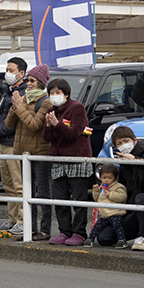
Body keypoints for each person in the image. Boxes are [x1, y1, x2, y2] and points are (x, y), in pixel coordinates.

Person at [5, 64, 53, 241]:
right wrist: (15, 107)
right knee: (28, 193)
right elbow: (9, 125)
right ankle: (30, 229)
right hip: (23, 154)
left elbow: (34, 125)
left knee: (43, 192)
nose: (29, 83)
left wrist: (19, 107)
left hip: (40, 153)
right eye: (27, 80)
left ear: (40, 82)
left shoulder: (45, 101)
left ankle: (46, 229)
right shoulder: (23, 99)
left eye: (32, 80)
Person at [43, 78, 93, 246]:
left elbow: (74, 134)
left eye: (58, 92)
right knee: (60, 198)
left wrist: (57, 124)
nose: (55, 96)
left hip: (76, 158)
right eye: (51, 93)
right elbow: (46, 138)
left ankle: (79, 233)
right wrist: (49, 126)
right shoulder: (51, 110)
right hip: (58, 160)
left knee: (78, 199)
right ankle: (64, 231)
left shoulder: (77, 108)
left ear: (66, 93)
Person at [99, 126, 144, 251]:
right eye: (119, 143)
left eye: (126, 140)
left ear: (135, 140)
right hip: (133, 210)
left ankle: (143, 237)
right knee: (104, 238)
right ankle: (141, 231)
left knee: (141, 198)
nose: (124, 145)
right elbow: (124, 190)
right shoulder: (123, 163)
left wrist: (136, 161)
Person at [0, 57, 28, 235]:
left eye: (11, 70)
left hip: (14, 143)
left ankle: (22, 220)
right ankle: (12, 219)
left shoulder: (23, 93)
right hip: (3, 143)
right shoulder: (8, 92)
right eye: (7, 69)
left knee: (19, 185)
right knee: (8, 185)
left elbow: (12, 122)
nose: (8, 73)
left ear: (22, 73)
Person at [83, 164, 129, 248]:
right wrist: (96, 191)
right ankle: (90, 239)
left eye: (109, 178)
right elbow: (97, 199)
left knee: (117, 226)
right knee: (96, 227)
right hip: (104, 214)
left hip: (116, 213)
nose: (106, 180)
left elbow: (122, 197)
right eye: (104, 178)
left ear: (115, 178)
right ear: (100, 178)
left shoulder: (118, 187)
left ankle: (122, 240)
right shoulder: (101, 187)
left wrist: (110, 194)